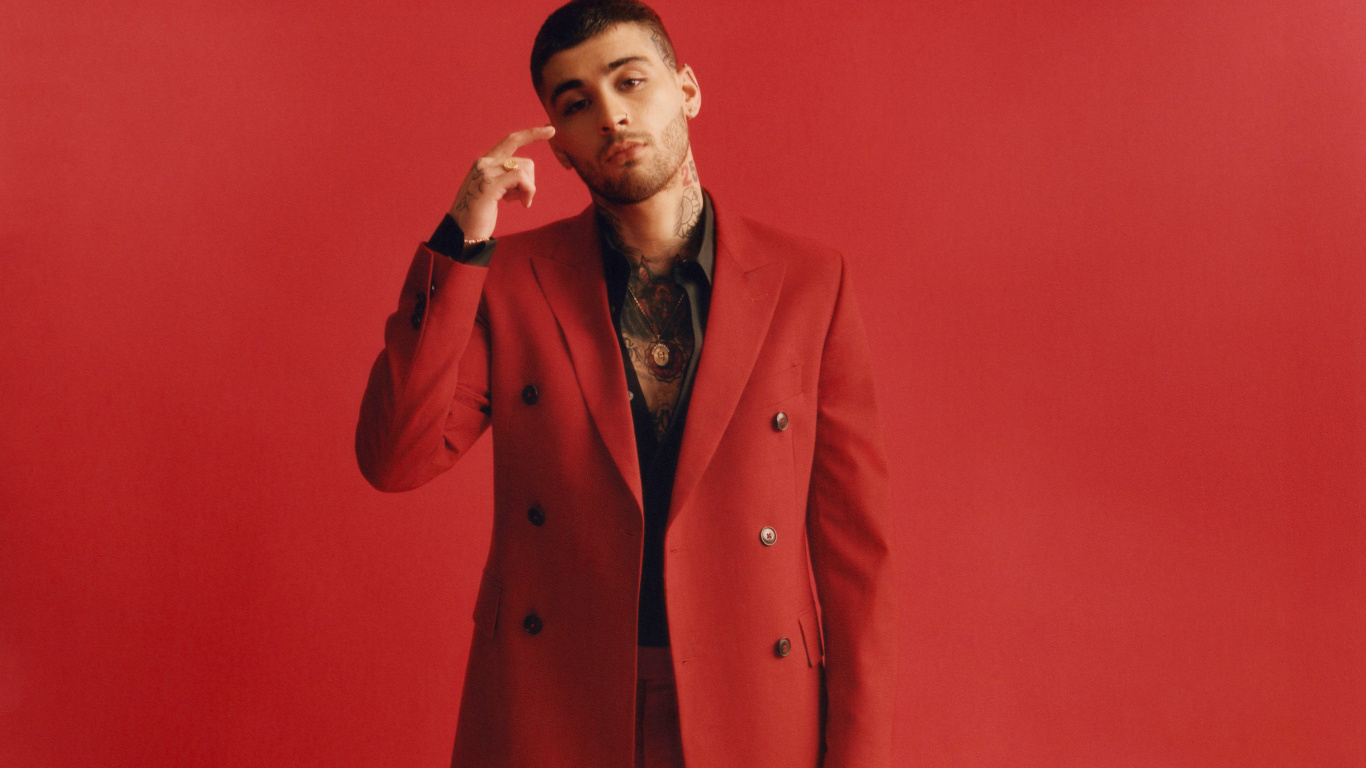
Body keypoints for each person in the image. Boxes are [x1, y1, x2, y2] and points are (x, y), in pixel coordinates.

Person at [356, 1, 896, 766]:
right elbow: (396, 457)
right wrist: (462, 239)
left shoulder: (810, 283)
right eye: (576, 103)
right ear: (560, 145)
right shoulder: (508, 282)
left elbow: (856, 559)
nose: (611, 115)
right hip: (554, 704)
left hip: (753, 705)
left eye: (630, 81)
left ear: (687, 90)